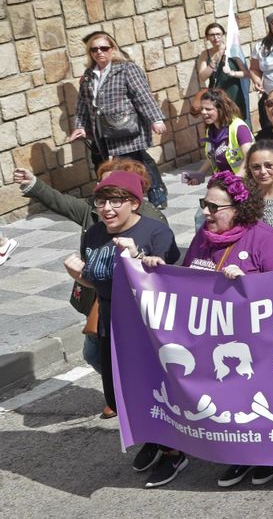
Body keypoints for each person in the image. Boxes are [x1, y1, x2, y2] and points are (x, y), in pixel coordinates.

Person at [141, 171, 273, 487]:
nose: (206, 213)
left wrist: (251, 285)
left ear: (239, 208)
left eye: (214, 207)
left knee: (254, 400)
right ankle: (238, 454)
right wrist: (159, 273)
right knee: (227, 401)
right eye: (204, 205)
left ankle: (271, 455)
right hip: (211, 341)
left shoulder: (266, 240)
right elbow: (185, 282)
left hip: (256, 345)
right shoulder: (202, 238)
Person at [64, 170, 180, 483]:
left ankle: (174, 451)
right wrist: (78, 276)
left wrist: (137, 258)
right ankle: (153, 439)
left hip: (146, 327)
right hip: (109, 322)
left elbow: (174, 282)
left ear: (134, 203)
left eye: (116, 200)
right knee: (120, 396)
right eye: (101, 201)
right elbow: (98, 282)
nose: (107, 208)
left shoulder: (155, 233)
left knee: (154, 390)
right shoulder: (93, 234)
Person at [69, 30, 170, 209]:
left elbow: (142, 95)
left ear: (113, 49)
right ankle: (113, 197)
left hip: (124, 127)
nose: (99, 52)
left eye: (104, 48)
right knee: (114, 162)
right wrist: (80, 126)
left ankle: (153, 194)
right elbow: (83, 105)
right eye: (94, 50)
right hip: (100, 131)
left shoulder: (126, 69)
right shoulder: (88, 75)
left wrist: (155, 119)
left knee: (133, 161)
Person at [184, 88, 253, 181]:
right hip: (223, 179)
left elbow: (249, 157)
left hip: (242, 181)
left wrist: (237, 180)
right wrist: (199, 174)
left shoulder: (239, 128)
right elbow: (212, 155)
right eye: (202, 109)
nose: (203, 112)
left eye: (208, 109)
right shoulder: (211, 129)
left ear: (221, 109)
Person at [190, 22, 249, 119]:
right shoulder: (205, 54)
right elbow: (203, 77)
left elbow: (246, 73)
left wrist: (232, 73)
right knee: (220, 124)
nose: (215, 37)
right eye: (212, 35)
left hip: (234, 93)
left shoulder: (233, 50)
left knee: (236, 123)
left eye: (218, 34)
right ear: (207, 37)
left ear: (223, 35)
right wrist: (213, 61)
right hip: (216, 96)